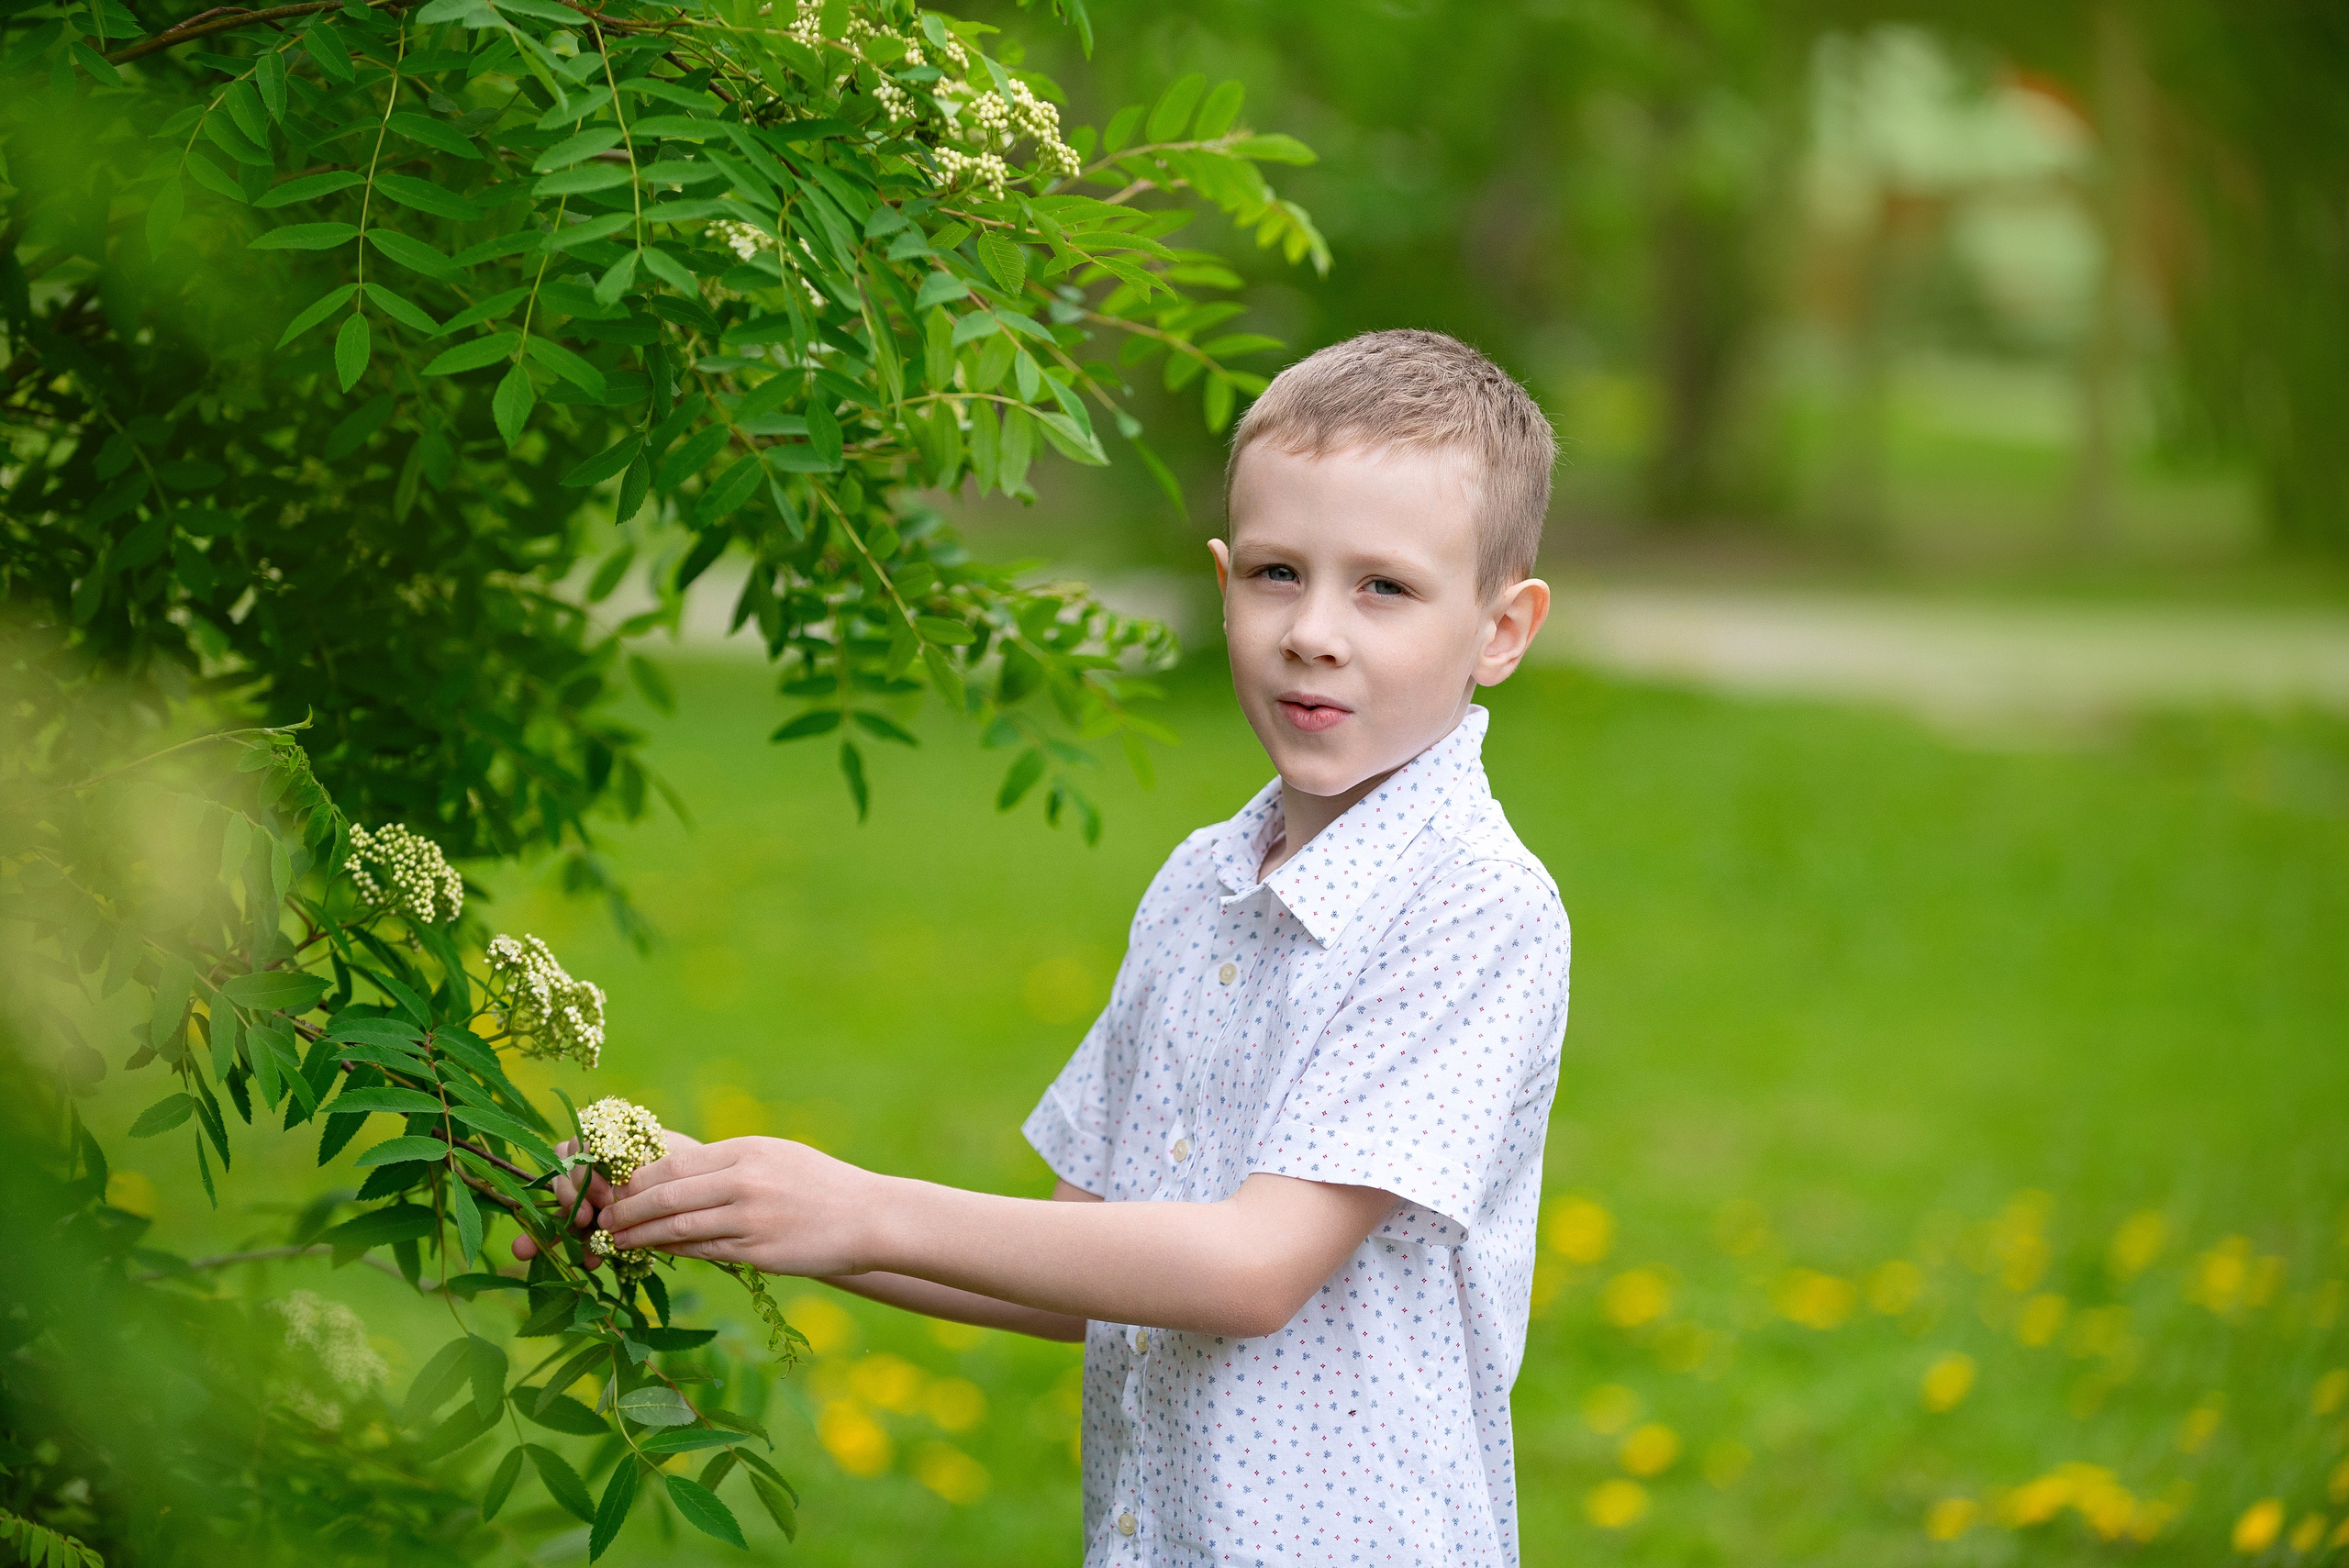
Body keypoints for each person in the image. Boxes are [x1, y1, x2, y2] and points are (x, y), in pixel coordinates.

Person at [524, 329, 1572, 1566]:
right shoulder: (1202, 884)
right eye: (1279, 573)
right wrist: (728, 1195)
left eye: (1383, 587)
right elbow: (1082, 1255)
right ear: (1224, 578)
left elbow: (1253, 1266)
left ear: (1502, 629)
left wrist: (859, 1208)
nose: (1315, 631)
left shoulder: (1475, 905)